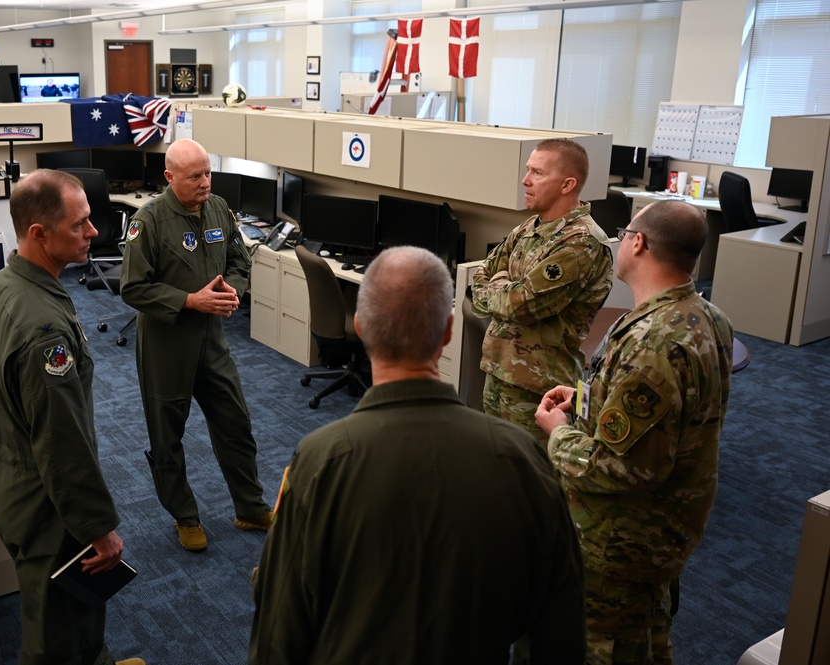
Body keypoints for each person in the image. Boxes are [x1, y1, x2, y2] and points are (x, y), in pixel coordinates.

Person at [249, 246, 586, 664]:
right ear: (447, 331)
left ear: (360, 326)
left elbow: (279, 625)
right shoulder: (523, 459)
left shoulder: (320, 463)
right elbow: (561, 627)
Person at [535, 200, 734, 665]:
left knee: (601, 647)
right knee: (647, 635)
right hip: (664, 529)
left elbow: (624, 467)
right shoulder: (702, 316)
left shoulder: (654, 342)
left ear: (638, 243)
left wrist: (558, 432)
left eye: (624, 232)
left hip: (621, 539)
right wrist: (585, 400)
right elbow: (667, 419)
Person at [0, 170, 143, 665]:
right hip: (48, 501)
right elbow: (60, 445)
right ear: (39, 234)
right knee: (54, 635)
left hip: (10, 477)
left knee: (73, 612)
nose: (93, 233)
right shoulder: (43, 331)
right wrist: (97, 526)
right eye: (80, 225)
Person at [120, 138, 271, 552]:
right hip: (167, 344)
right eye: (194, 176)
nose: (205, 182)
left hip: (211, 341)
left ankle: (250, 506)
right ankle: (184, 517)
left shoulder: (219, 208)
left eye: (207, 173)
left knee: (235, 424)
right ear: (170, 177)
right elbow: (132, 287)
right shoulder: (148, 221)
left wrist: (231, 291)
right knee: (167, 435)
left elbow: (241, 261)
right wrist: (189, 300)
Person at [471, 137, 613, 443]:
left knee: (529, 474)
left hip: (541, 387)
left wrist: (500, 286)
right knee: (496, 461)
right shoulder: (528, 228)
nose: (525, 180)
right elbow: (478, 284)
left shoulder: (581, 243)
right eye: (527, 170)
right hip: (499, 370)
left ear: (567, 184)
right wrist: (503, 289)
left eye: (537, 172)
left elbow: (519, 307)